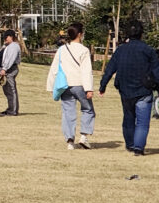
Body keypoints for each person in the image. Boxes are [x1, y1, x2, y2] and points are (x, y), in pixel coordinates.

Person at [99, 19, 159, 155]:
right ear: (141, 33)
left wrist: (103, 86)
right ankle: (138, 147)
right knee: (142, 122)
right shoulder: (148, 51)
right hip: (144, 90)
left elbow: (110, 69)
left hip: (125, 90)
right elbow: (157, 70)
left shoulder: (120, 50)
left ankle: (130, 144)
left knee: (128, 118)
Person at [46, 22, 96, 150]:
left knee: (68, 112)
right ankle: (84, 136)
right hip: (79, 84)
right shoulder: (84, 50)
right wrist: (89, 88)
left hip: (65, 85)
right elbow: (86, 70)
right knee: (88, 109)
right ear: (80, 34)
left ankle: (70, 140)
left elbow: (54, 68)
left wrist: (51, 86)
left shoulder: (62, 49)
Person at [0, 30, 21, 115]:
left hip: (10, 69)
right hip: (7, 69)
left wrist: (4, 68)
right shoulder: (8, 46)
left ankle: (13, 110)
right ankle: (10, 108)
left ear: (11, 36)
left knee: (11, 90)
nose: (5, 39)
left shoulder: (14, 46)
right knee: (7, 90)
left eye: (6, 37)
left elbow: (10, 59)